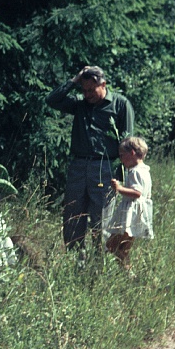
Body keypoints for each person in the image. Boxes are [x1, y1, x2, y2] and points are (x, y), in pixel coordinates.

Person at [45, 65, 135, 254]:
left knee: (101, 220)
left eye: (91, 90)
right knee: (72, 216)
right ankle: (76, 261)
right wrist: (74, 80)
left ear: (103, 85)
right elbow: (52, 100)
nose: (87, 94)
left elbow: (128, 141)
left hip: (105, 167)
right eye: (84, 90)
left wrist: (125, 174)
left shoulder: (120, 104)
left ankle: (98, 265)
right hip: (78, 166)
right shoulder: (79, 104)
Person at [103, 136, 154, 269]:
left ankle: (127, 273)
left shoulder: (136, 172)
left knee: (116, 247)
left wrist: (119, 188)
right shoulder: (143, 170)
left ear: (132, 153)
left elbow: (137, 193)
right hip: (134, 214)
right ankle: (125, 273)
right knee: (120, 247)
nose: (121, 159)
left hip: (131, 215)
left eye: (122, 155)